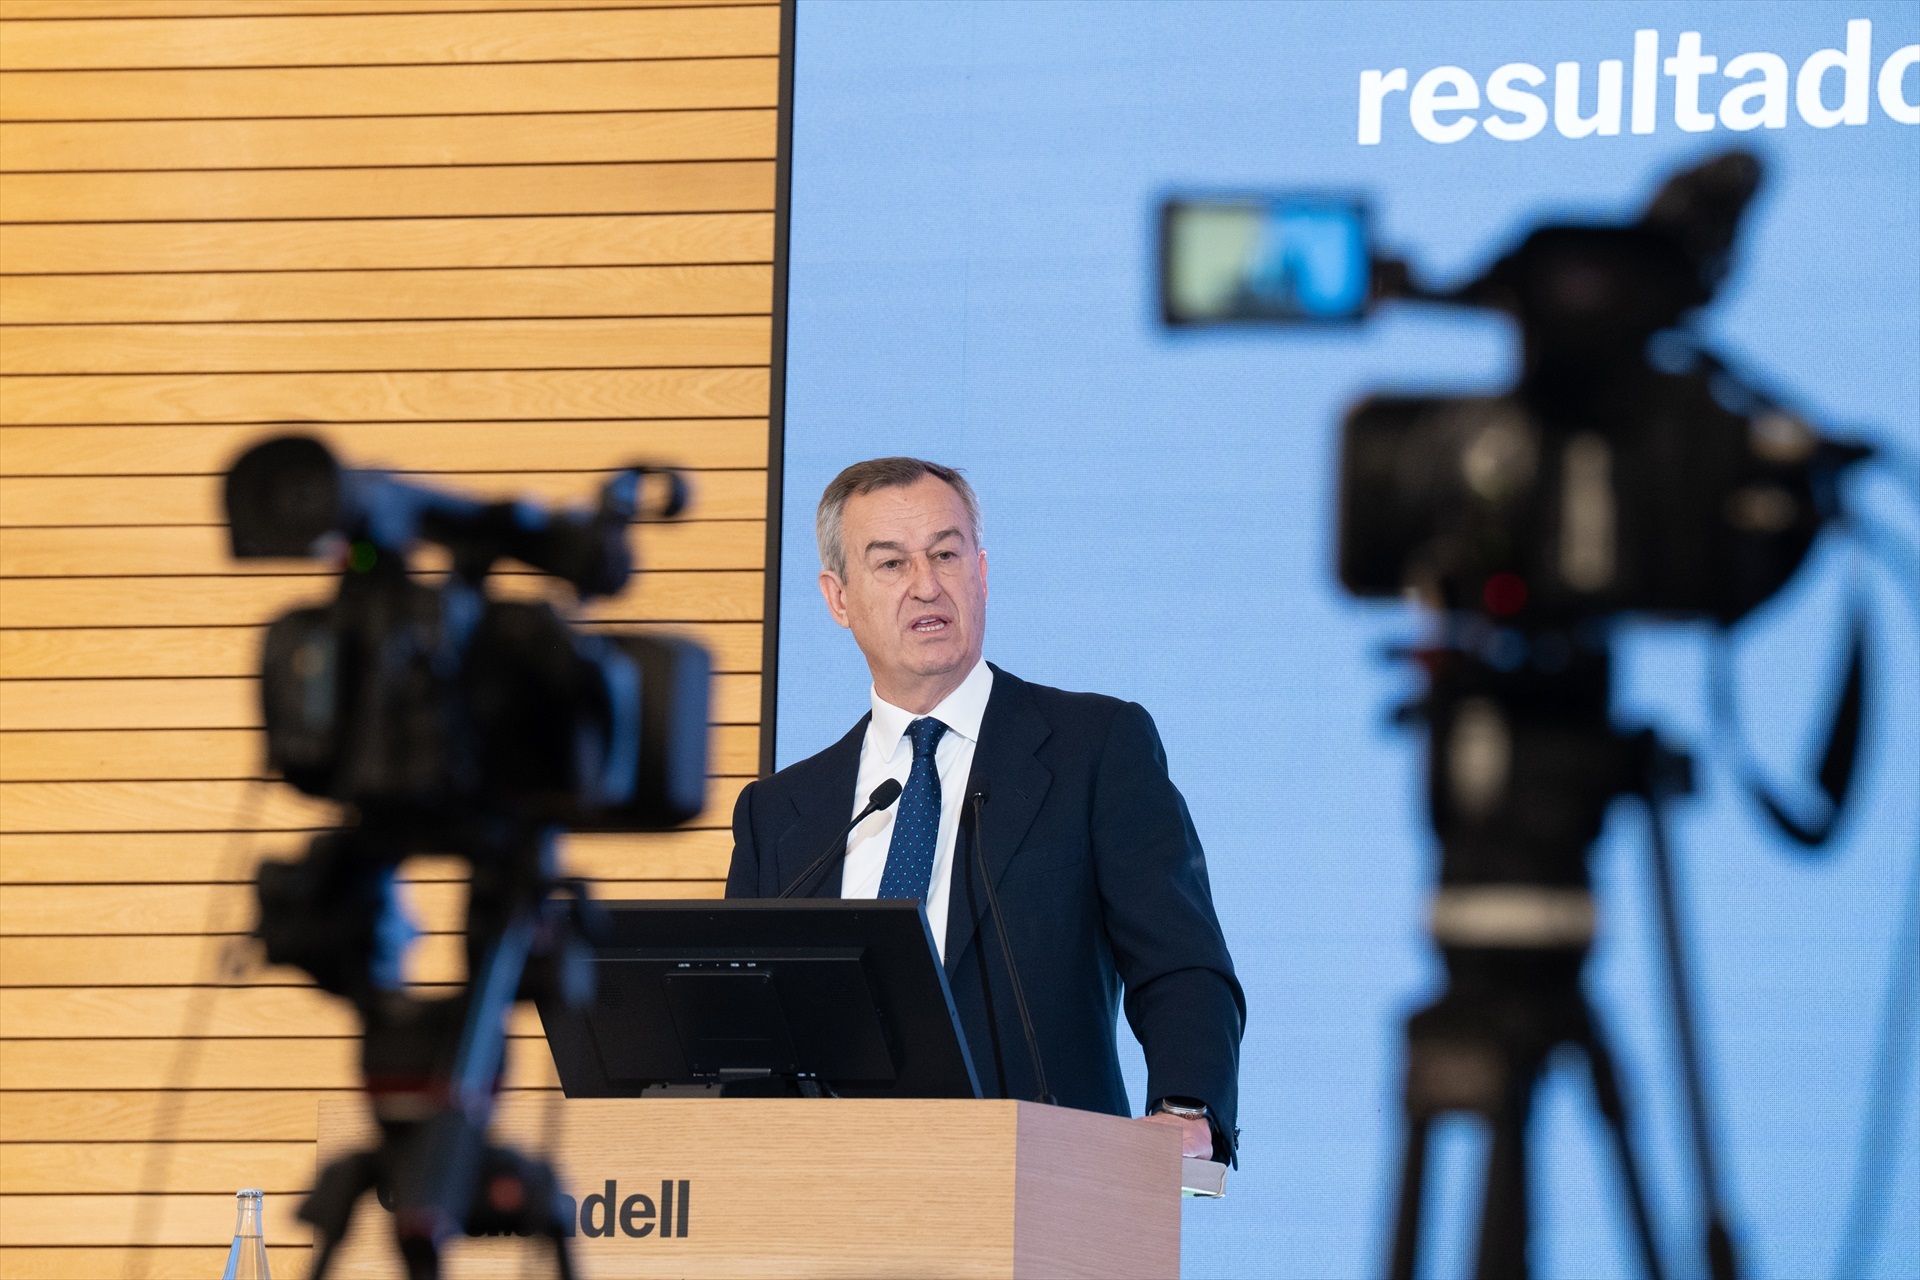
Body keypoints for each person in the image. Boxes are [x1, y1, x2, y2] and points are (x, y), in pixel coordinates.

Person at [726, 457, 1245, 1161]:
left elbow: (1180, 962)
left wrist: (1186, 1105)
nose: (927, 584)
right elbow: (745, 1028)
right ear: (837, 597)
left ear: (982, 572)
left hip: (1044, 1193)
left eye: (946, 553)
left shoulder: (1093, 751)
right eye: (891, 564)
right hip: (830, 1204)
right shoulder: (779, 813)